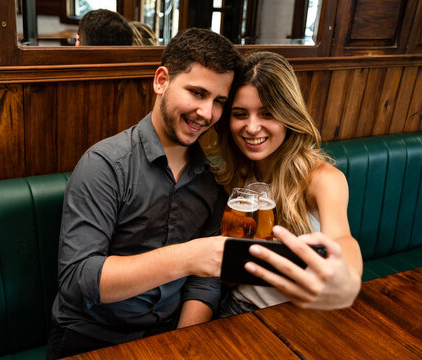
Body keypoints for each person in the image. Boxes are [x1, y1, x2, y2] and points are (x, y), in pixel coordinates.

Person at [47, 28, 241, 359]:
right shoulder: (105, 164)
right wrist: (186, 258)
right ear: (161, 81)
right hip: (92, 335)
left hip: (169, 333)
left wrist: (183, 346)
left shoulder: (213, 176)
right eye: (197, 93)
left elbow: (204, 282)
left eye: (218, 101)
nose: (207, 113)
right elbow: (79, 280)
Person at [209, 51, 363, 316]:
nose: (252, 127)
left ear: (289, 115)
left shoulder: (323, 178)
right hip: (236, 307)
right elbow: (230, 273)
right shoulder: (235, 174)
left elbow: (342, 238)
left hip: (301, 313)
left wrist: (348, 280)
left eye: (267, 113)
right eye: (240, 113)